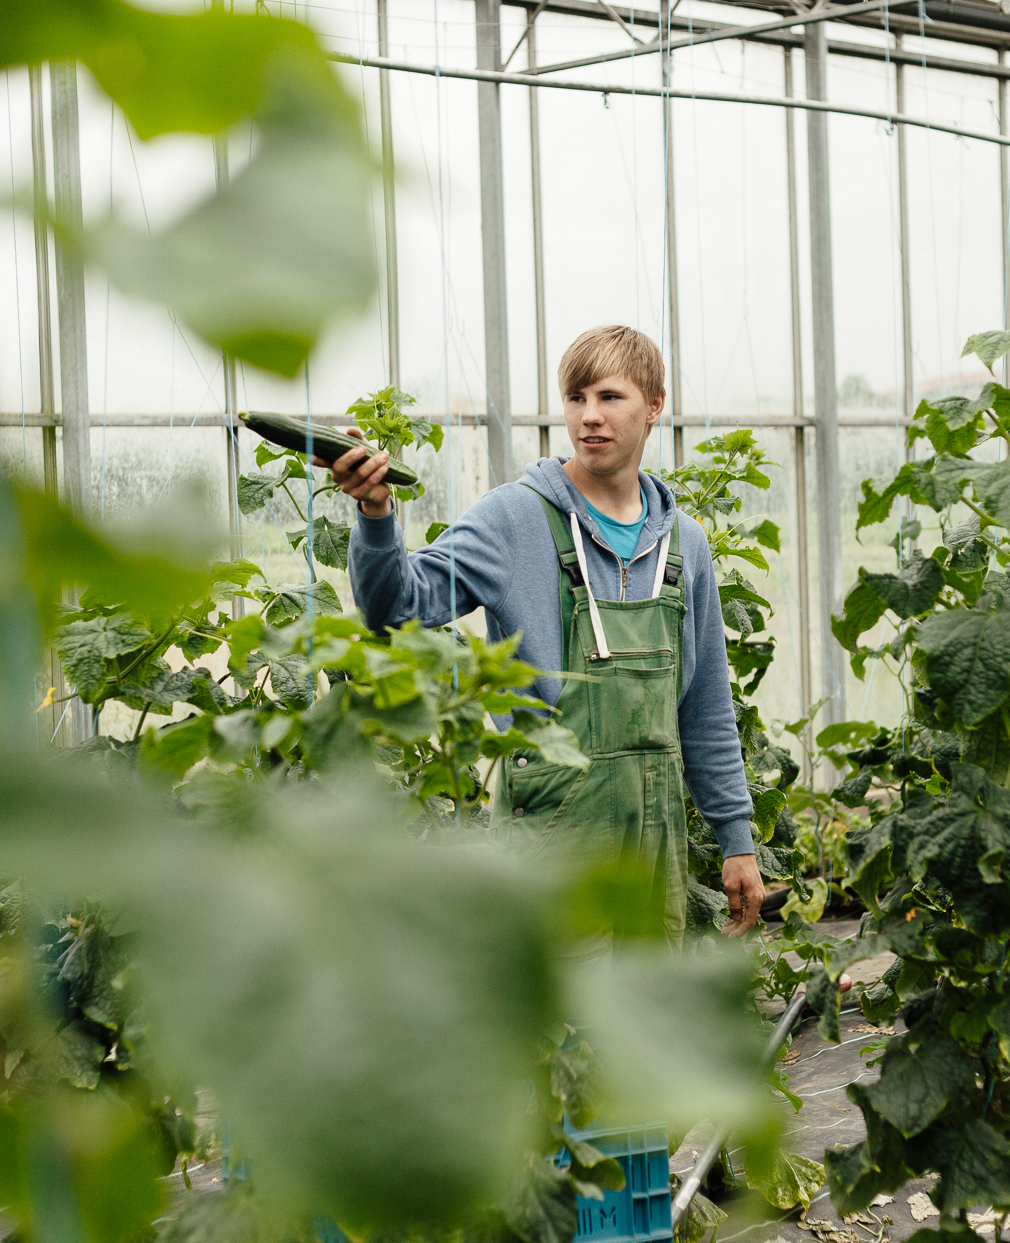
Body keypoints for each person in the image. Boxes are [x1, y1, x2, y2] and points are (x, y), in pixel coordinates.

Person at [321, 325, 765, 940]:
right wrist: (374, 513)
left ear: (654, 405)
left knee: (639, 1018)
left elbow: (706, 707)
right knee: (553, 1026)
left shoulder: (683, 545)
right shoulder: (514, 519)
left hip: (653, 853)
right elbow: (397, 606)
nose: (590, 417)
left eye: (610, 397)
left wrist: (736, 840)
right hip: (549, 839)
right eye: (577, 398)